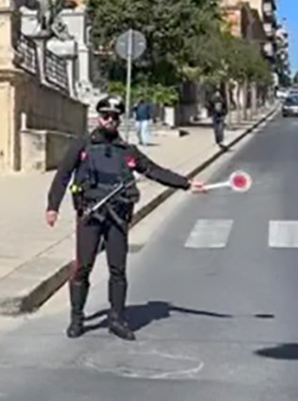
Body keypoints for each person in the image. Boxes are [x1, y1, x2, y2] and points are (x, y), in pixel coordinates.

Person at [45, 97, 207, 341]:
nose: (110, 120)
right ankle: (77, 318)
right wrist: (52, 206)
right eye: (105, 116)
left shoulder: (127, 151)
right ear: (98, 118)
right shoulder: (82, 146)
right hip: (90, 215)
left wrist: (186, 184)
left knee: (117, 270)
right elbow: (63, 175)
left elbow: (154, 170)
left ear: (119, 120)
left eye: (114, 117)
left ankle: (117, 319)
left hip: (117, 217)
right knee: (83, 268)